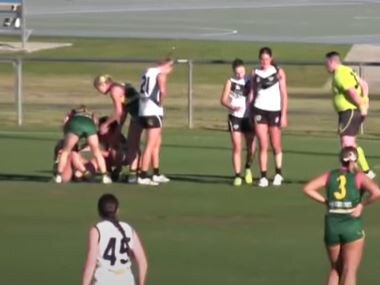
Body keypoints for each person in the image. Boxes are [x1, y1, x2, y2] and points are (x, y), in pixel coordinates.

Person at [303, 147, 380, 285]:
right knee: (350, 270)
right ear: (356, 159)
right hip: (351, 224)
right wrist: (362, 204)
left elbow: (308, 188)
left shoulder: (330, 175)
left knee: (335, 269)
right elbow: (377, 192)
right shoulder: (359, 177)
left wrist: (326, 201)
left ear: (340, 159)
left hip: (332, 225)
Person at [325, 51, 375, 179]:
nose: (326, 66)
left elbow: (352, 92)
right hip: (351, 112)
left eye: (327, 63)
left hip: (349, 112)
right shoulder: (347, 70)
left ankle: (353, 176)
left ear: (332, 62)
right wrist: (365, 101)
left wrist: (363, 106)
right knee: (352, 144)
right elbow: (364, 84)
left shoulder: (339, 74)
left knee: (347, 145)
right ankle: (366, 172)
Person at [82, 193, 148, 285]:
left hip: (104, 280)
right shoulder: (128, 228)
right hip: (126, 280)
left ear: (99, 211)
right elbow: (142, 262)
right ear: (117, 210)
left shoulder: (97, 230)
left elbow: (91, 263)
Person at [94, 75, 142, 183]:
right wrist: (118, 128)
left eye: (98, 89)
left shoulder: (114, 90)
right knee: (134, 144)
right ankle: (137, 172)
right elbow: (124, 111)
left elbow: (118, 112)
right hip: (142, 114)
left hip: (139, 115)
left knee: (132, 145)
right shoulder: (121, 85)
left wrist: (106, 124)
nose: (99, 92)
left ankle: (134, 175)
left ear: (103, 84)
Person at [251, 47, 288, 187]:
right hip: (259, 109)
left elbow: (284, 95)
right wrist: (250, 109)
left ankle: (278, 173)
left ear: (271, 59)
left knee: (276, 144)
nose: (264, 61)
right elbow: (253, 93)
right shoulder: (255, 72)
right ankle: (264, 176)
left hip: (274, 111)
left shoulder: (278, 72)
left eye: (267, 59)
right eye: (262, 59)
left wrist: (284, 114)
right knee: (263, 144)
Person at [137, 58, 174, 186]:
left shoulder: (147, 72)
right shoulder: (160, 74)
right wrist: (160, 104)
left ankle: (156, 173)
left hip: (143, 111)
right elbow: (163, 91)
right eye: (170, 67)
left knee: (157, 143)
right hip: (153, 111)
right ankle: (142, 175)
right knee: (151, 145)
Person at [53, 106, 112, 184]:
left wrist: (67, 129)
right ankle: (105, 176)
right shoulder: (91, 114)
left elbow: (66, 123)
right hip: (90, 126)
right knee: (97, 152)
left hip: (75, 125)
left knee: (66, 151)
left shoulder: (73, 112)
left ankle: (59, 175)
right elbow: (96, 122)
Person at [220, 58, 256, 186]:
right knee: (237, 146)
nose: (240, 75)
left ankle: (248, 168)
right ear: (233, 72)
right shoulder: (230, 82)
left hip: (248, 117)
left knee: (251, 146)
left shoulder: (250, 80)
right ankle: (237, 175)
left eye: (241, 72)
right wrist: (231, 107)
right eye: (237, 73)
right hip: (235, 117)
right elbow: (223, 100)